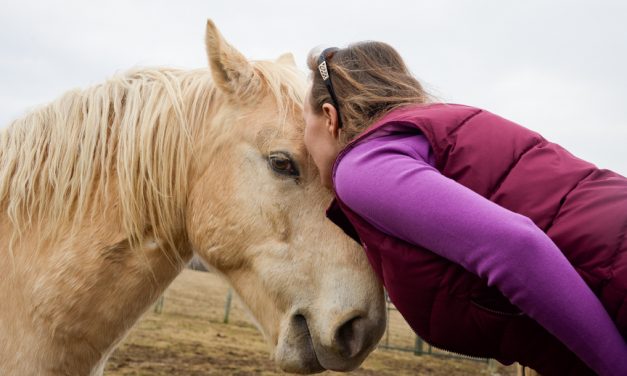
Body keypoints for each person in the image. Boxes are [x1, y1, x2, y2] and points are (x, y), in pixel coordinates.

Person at [302, 43, 627, 376]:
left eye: (304, 122)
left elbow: (515, 246)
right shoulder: (443, 125)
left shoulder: (361, 168)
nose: (303, 140)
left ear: (329, 117)